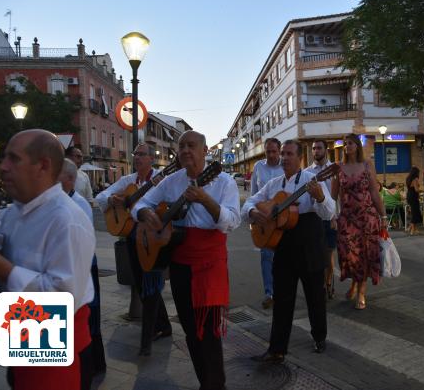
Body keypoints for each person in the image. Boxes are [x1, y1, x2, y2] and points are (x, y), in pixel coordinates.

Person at [0, 129, 95, 390]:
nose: (4, 167)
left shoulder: (67, 220)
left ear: (43, 166)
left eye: (13, 159)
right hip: (24, 332)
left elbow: (63, 298)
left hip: (56, 344)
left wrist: (0, 267)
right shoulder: (13, 211)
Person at [133, 131, 240, 390]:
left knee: (210, 332)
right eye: (181, 147)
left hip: (210, 264)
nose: (185, 151)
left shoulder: (224, 182)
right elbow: (139, 204)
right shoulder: (171, 181)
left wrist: (206, 199)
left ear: (205, 151)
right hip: (181, 263)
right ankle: (206, 382)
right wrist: (146, 213)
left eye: (191, 146)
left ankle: (215, 385)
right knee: (191, 331)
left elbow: (233, 221)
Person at [244, 139, 334, 362]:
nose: (284, 158)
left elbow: (330, 212)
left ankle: (319, 337)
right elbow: (248, 203)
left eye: (289, 154)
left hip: (309, 244)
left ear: (300, 158)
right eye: (282, 154)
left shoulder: (312, 181)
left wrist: (320, 197)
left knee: (315, 296)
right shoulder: (274, 184)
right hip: (283, 247)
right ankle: (277, 349)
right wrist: (255, 214)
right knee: (282, 300)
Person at [95, 143, 172, 356]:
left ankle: (148, 337)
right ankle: (164, 326)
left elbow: (166, 203)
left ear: (151, 159)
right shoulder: (128, 181)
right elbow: (100, 198)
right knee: (141, 284)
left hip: (151, 238)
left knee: (151, 282)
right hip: (131, 237)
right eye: (135, 154)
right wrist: (112, 199)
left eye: (142, 154)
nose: (137, 157)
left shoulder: (162, 179)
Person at [59, 158, 106, 374]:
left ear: (69, 179)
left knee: (89, 318)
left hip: (80, 270)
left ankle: (94, 365)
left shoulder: (76, 205)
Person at [331, 134, 387, 310]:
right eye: (345, 144)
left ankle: (361, 292)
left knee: (364, 255)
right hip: (347, 218)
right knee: (349, 255)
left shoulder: (367, 165)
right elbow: (332, 197)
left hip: (367, 218)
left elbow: (374, 192)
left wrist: (383, 216)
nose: (347, 146)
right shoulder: (338, 168)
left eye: (350, 143)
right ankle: (355, 284)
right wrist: (333, 216)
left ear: (357, 146)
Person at [250, 138, 283, 309]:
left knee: (284, 258)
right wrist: (253, 215)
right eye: (267, 151)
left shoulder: (286, 166)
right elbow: (254, 194)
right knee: (266, 257)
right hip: (264, 221)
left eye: (273, 151)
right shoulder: (258, 167)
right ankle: (269, 293)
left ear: (279, 151)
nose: (270, 155)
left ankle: (283, 291)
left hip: (283, 220)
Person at [305, 139, 337, 300]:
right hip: (315, 219)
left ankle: (328, 281)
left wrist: (335, 217)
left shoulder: (334, 170)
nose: (316, 151)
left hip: (331, 218)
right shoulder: (307, 173)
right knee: (316, 255)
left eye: (319, 148)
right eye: (313, 148)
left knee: (328, 254)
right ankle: (320, 285)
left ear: (326, 150)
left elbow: (337, 196)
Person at [406, 166, 422, 235]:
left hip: (409, 195)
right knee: (415, 212)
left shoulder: (408, 179)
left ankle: (413, 228)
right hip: (413, 196)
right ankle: (412, 230)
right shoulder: (415, 179)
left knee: (414, 211)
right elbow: (416, 190)